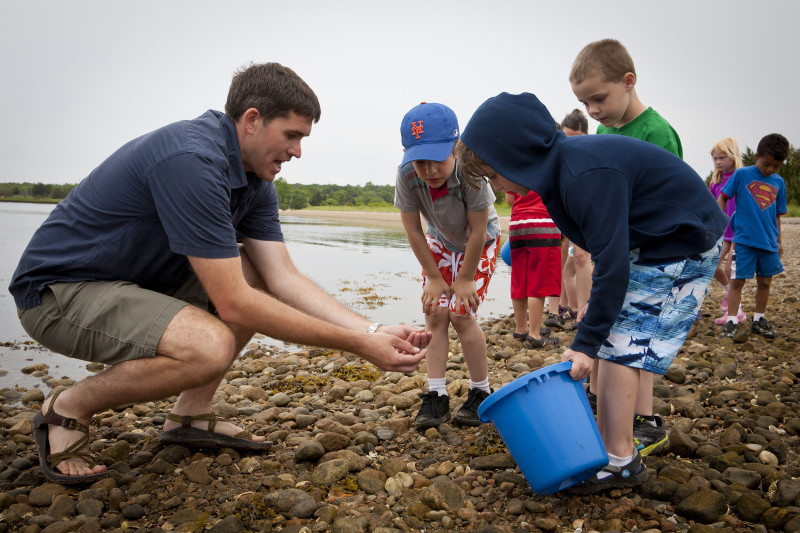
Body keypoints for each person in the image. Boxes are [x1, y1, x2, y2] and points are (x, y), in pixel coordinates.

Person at [10, 63, 430, 484]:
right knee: (208, 346)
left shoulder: (256, 181)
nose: (298, 151)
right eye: (292, 135)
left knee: (255, 274)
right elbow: (233, 302)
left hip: (133, 285)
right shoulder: (192, 160)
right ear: (251, 120)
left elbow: (282, 278)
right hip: (59, 294)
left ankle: (189, 415)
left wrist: (372, 329)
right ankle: (66, 409)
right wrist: (359, 345)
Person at [456, 92, 727, 493]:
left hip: (680, 241)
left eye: (494, 175)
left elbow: (613, 261)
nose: (497, 186)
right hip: (650, 242)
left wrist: (584, 344)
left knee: (620, 343)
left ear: (518, 154)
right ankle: (608, 446)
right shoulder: (559, 171)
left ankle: (621, 461)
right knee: (609, 335)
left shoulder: (583, 173)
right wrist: (594, 316)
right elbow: (605, 252)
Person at [570, 38, 682, 457]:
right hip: (618, 249)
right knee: (614, 331)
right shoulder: (602, 130)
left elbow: (667, 197)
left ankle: (646, 421)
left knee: (637, 337)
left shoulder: (656, 131)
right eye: (586, 104)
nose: (594, 111)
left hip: (654, 251)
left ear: (629, 81)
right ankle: (609, 409)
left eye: (599, 98)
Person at [394, 102, 501, 429]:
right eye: (419, 161)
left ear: (456, 146)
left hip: (479, 240)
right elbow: (413, 229)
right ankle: (437, 395)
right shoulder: (407, 176)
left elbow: (479, 230)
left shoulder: (469, 174)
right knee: (435, 313)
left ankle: (480, 390)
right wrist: (433, 276)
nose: (428, 170)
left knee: (460, 313)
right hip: (439, 239)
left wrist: (465, 278)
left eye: (437, 159)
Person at [717, 133, 789, 340]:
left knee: (765, 282)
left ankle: (759, 319)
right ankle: (731, 321)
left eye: (776, 166)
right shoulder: (742, 175)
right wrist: (718, 221)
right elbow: (723, 197)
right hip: (744, 241)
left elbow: (777, 214)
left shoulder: (779, 183)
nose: (770, 169)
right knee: (737, 281)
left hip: (768, 242)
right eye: (767, 164)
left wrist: (779, 241)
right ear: (757, 155)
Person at [504, 188, 561, 349]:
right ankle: (535, 335)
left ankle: (520, 330)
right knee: (539, 281)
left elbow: (509, 200)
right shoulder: (548, 162)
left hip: (517, 223)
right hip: (543, 221)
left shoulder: (512, 162)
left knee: (519, 278)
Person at [557, 110, 592, 327]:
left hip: (584, 213)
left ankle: (583, 311)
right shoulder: (558, 155)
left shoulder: (590, 155)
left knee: (580, 257)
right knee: (563, 259)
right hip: (563, 212)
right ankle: (564, 306)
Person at [708, 138, 746, 325]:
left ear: (733, 156)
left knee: (731, 269)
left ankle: (737, 311)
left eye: (722, 157)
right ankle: (727, 291)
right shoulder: (715, 181)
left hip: (739, 233)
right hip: (723, 233)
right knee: (712, 264)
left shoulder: (742, 177)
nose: (718, 162)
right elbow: (713, 205)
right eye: (715, 159)